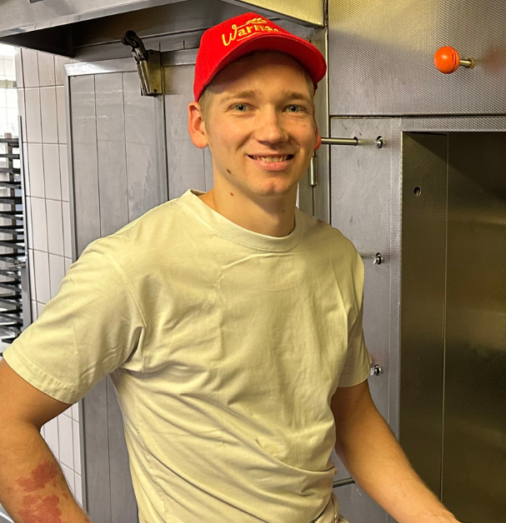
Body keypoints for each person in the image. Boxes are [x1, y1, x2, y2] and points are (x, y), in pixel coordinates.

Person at [0, 13, 461, 523]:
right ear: (199, 124)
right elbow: (6, 420)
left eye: (293, 107)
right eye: (243, 106)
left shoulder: (336, 256)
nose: (272, 130)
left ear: (313, 128)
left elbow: (351, 417)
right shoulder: (133, 266)